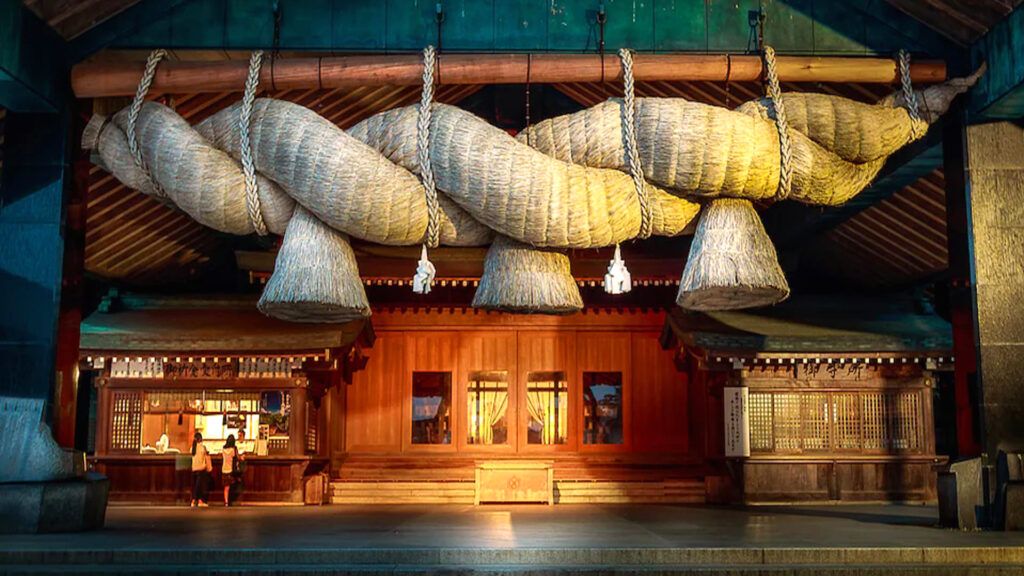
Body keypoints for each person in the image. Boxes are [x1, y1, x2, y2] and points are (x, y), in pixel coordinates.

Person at [190, 432, 211, 507]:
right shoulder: (203, 447)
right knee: (200, 487)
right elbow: (206, 457)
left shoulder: (192, 448)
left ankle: (193, 501)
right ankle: (200, 501)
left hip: (194, 469)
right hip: (201, 469)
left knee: (195, 486)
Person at [221, 434, 241, 507]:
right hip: (231, 470)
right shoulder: (233, 449)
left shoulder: (223, 449)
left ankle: (226, 501)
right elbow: (237, 457)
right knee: (231, 486)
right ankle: (230, 501)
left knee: (226, 487)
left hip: (224, 469)